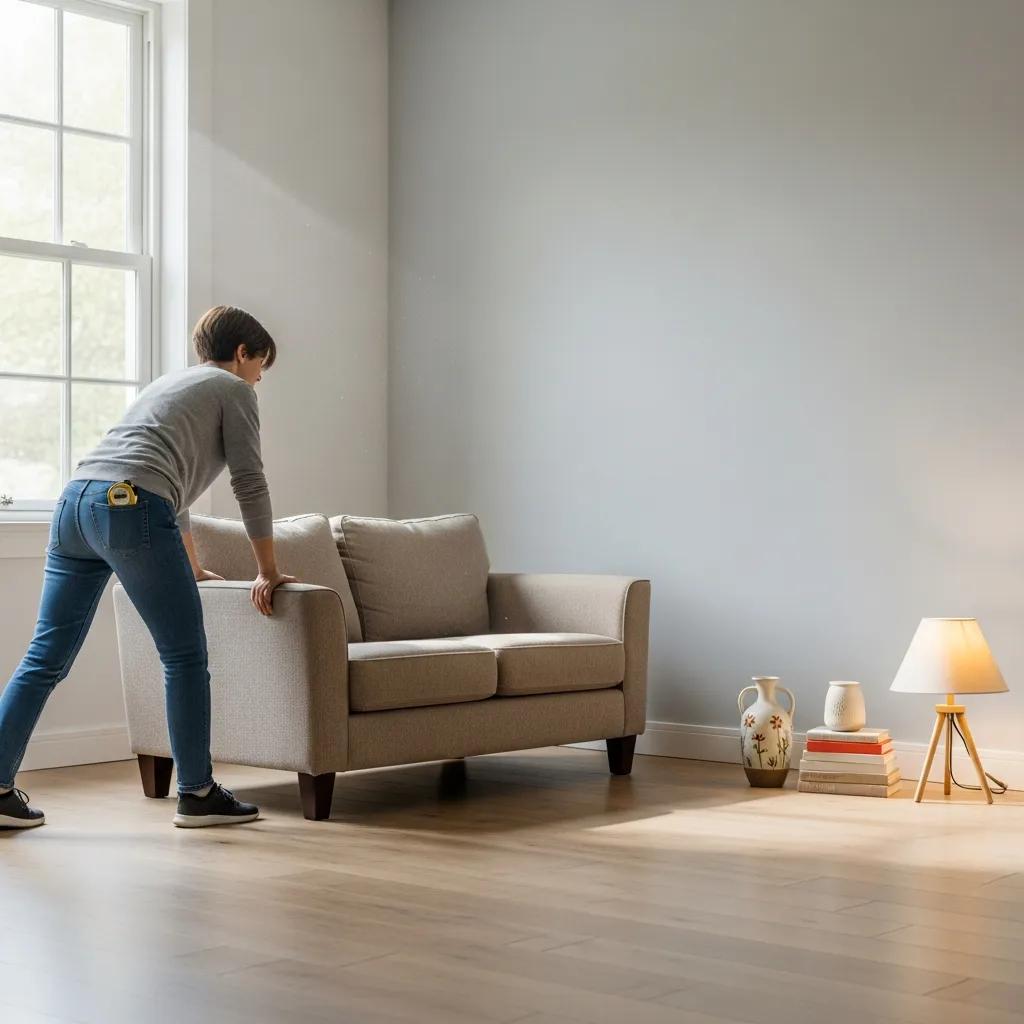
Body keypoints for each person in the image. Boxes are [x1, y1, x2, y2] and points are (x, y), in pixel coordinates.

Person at [0, 306, 296, 830]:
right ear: (244, 353)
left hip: (75, 503)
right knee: (184, 656)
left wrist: (193, 566)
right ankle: (198, 792)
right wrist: (267, 570)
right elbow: (248, 482)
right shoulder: (233, 391)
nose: (259, 379)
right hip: (128, 505)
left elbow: (172, 492)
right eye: (260, 366)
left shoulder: (170, 385)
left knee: (45, 656)